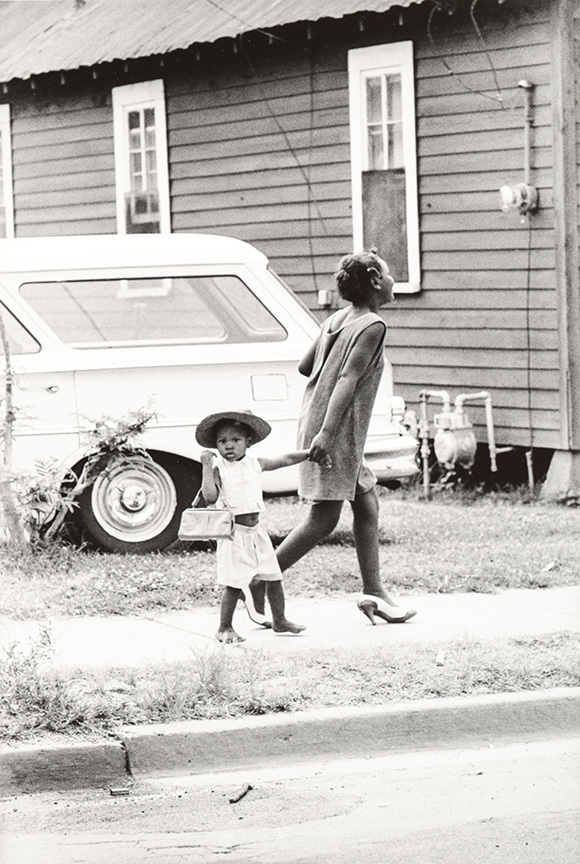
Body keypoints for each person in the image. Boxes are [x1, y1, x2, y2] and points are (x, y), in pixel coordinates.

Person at [250, 249, 416, 625]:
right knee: (323, 519)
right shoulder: (372, 325)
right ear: (375, 280)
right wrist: (326, 433)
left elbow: (306, 365)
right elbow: (348, 378)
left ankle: (374, 592)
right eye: (388, 274)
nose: (392, 281)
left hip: (324, 424)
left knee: (367, 504)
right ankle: (258, 581)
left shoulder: (337, 319)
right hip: (334, 432)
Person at [196, 409, 310, 643]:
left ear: (248, 442)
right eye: (222, 441)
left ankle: (280, 619)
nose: (229, 446)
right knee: (234, 583)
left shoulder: (255, 463)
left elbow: (286, 459)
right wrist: (207, 465)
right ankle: (224, 627)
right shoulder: (219, 469)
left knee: (274, 576)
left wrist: (310, 454)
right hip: (234, 534)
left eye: (235, 440)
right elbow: (209, 497)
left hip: (257, 533)